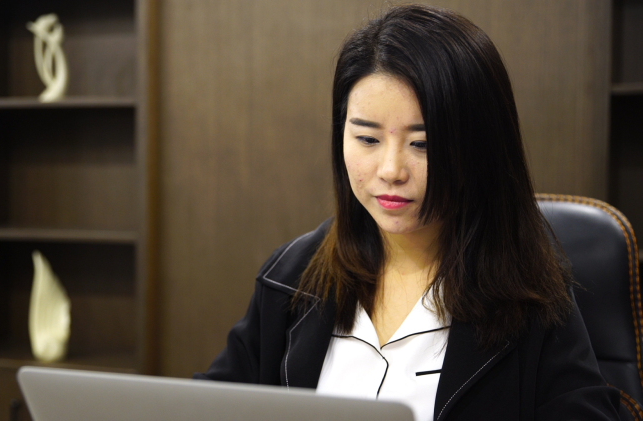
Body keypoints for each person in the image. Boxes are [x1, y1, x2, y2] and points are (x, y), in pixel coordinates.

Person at [194, 4, 621, 420]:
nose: (391, 171)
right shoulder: (290, 278)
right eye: (367, 139)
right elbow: (204, 406)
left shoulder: (532, 299)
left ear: (481, 147)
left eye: (423, 144)